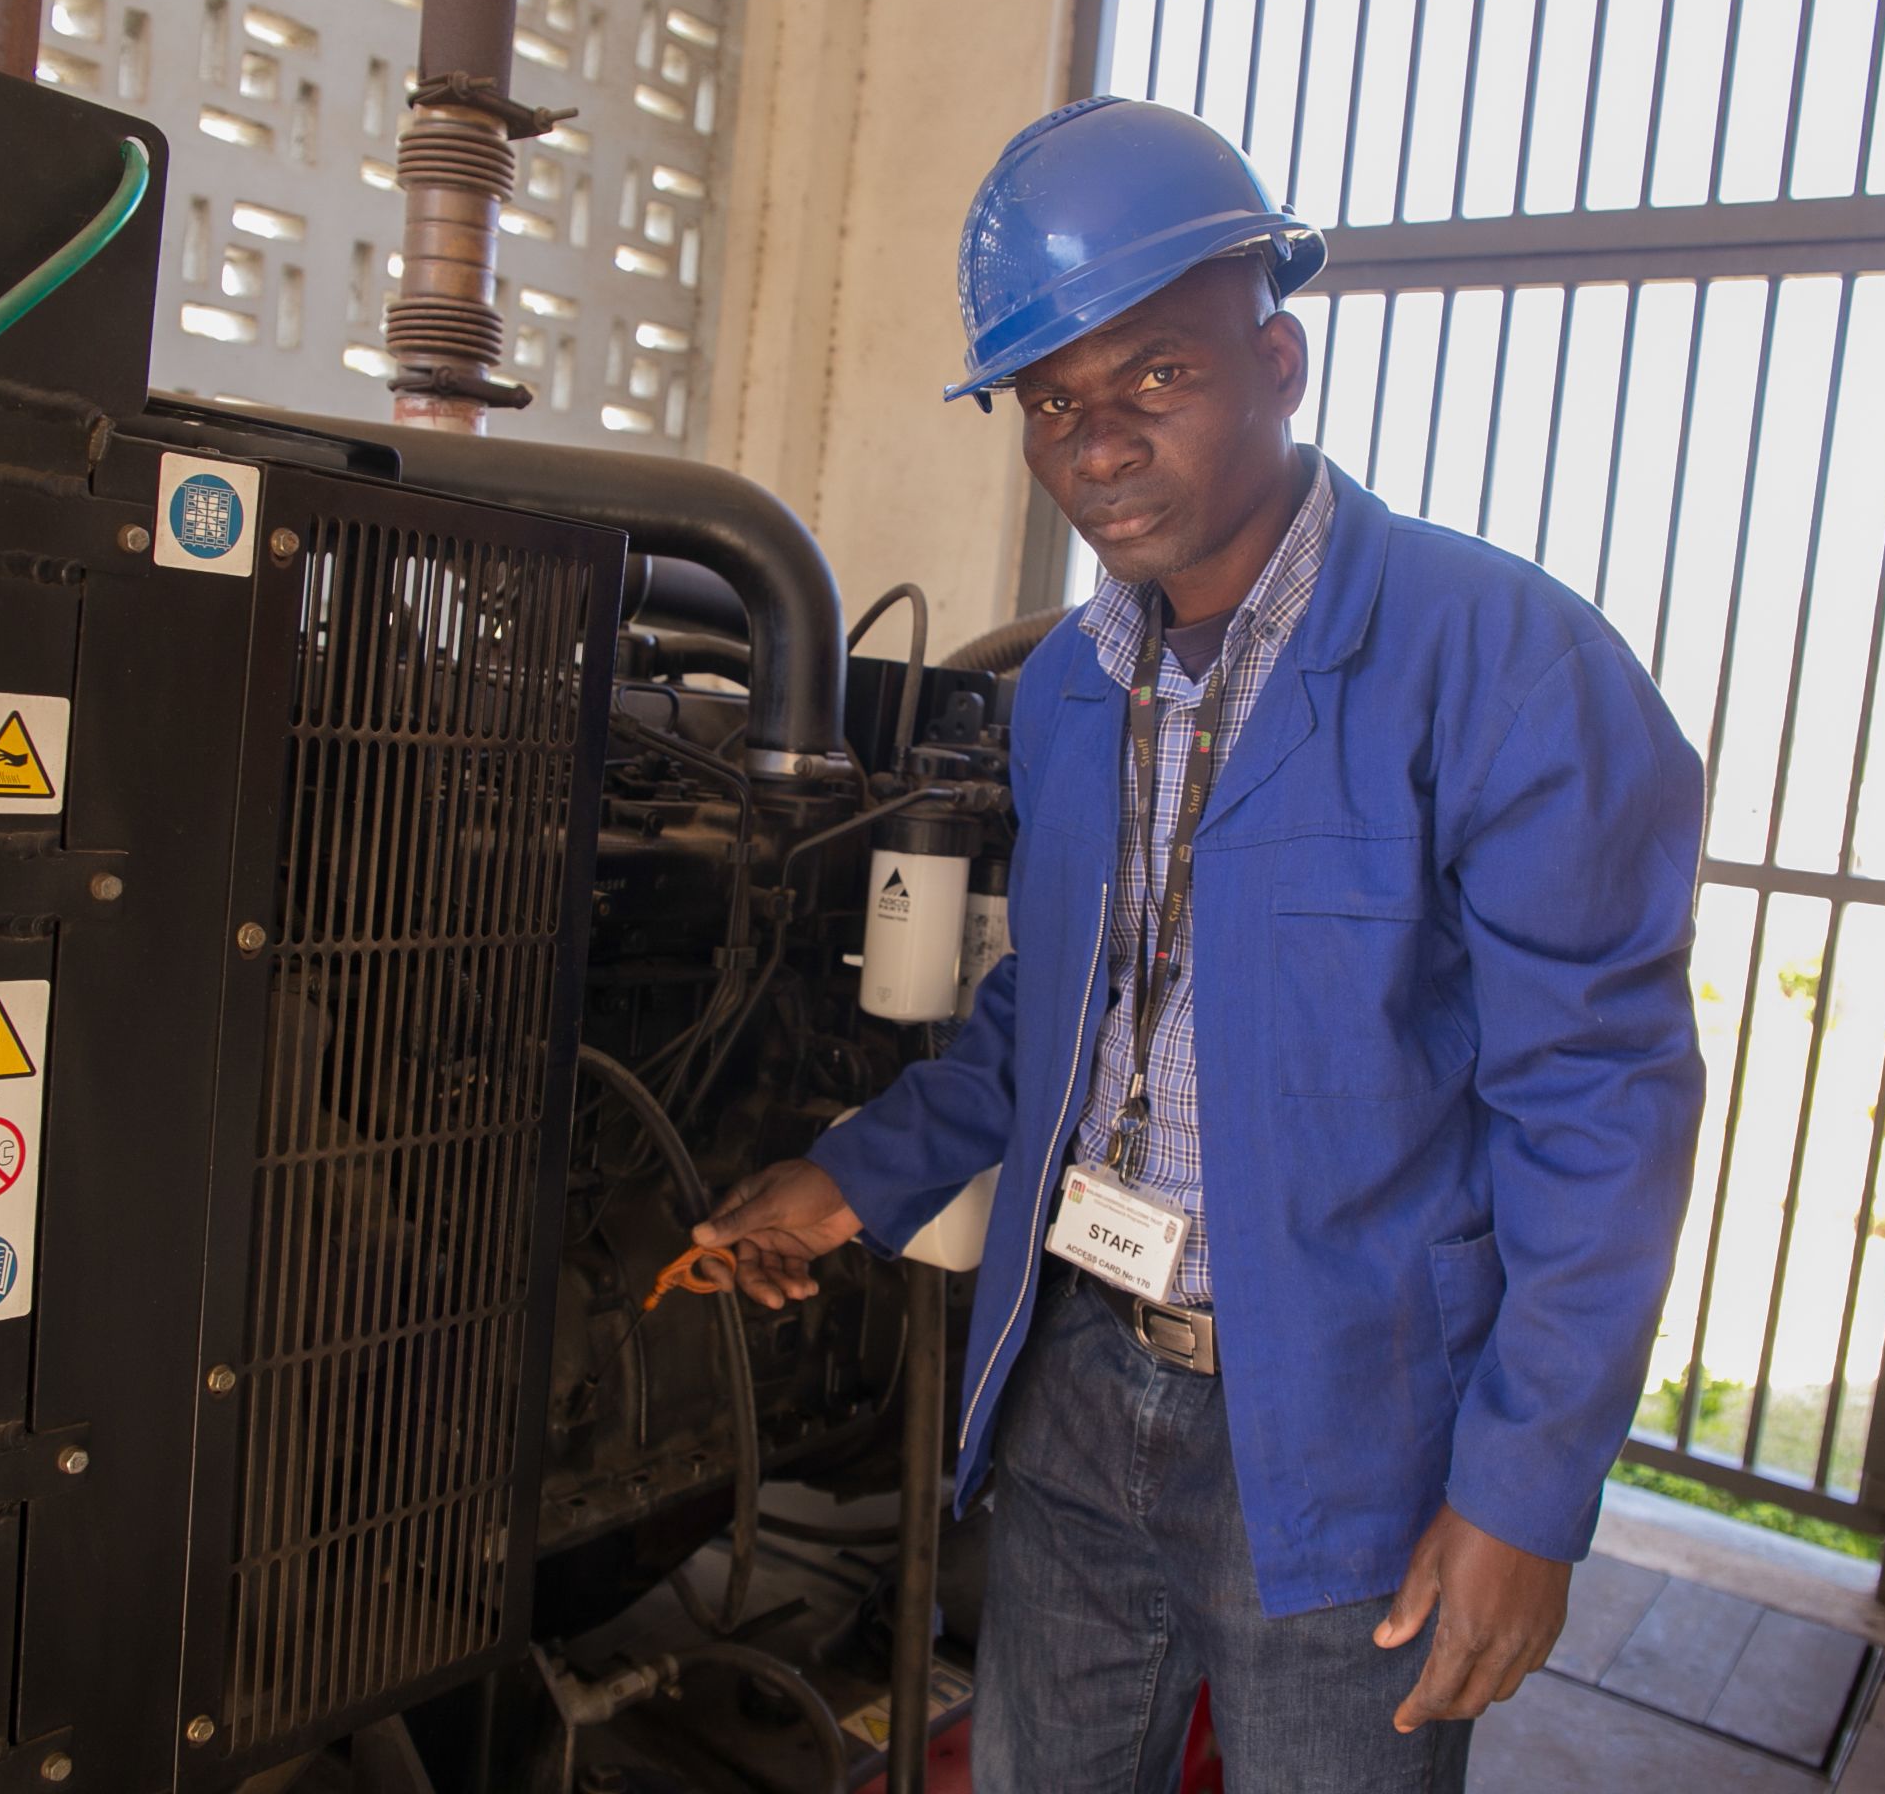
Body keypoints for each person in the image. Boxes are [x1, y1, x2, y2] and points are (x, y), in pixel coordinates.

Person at [695, 96, 1706, 1792]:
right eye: (1053, 401)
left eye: (1155, 373)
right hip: (1081, 1383)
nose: (1097, 443)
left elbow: (1599, 1115)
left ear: (1280, 360)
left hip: (1351, 1435)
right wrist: (854, 1175)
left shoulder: (1507, 669)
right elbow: (1058, 1018)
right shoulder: (1074, 690)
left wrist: (1524, 1496)